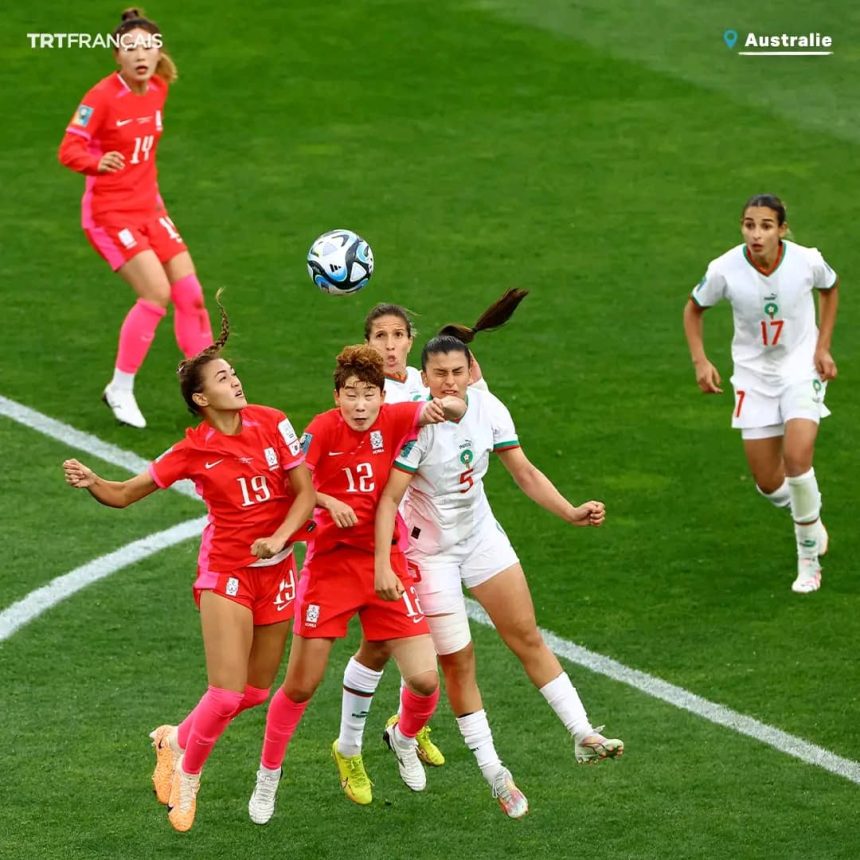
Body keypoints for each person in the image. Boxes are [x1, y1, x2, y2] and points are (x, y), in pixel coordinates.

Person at [62, 292, 315, 832]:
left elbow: (305, 493)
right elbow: (126, 494)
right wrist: (93, 484)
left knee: (253, 692)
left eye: (233, 372)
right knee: (224, 692)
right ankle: (187, 777)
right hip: (227, 575)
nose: (235, 381)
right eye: (222, 378)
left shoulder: (274, 422)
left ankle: (173, 737)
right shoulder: (191, 450)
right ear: (201, 399)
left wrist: (280, 540)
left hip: (278, 573)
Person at [374, 335, 624, 818]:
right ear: (424, 379)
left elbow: (524, 472)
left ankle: (582, 733)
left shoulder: (489, 408)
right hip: (431, 556)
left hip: (482, 537)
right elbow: (388, 499)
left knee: (526, 635)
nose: (449, 382)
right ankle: (496, 774)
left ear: (472, 372)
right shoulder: (417, 427)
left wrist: (570, 512)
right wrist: (386, 561)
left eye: (457, 372)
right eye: (439, 374)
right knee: (459, 663)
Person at [246, 345, 466, 825]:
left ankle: (402, 739)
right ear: (337, 396)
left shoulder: (396, 419)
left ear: (382, 397)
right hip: (330, 567)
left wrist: (438, 406)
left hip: (385, 562)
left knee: (427, 679)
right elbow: (289, 481)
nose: (361, 405)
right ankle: (267, 777)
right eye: (351, 395)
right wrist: (325, 500)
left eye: (369, 395)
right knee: (301, 685)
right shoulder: (322, 429)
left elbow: (457, 406)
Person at [330, 290, 529, 798]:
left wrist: (459, 349)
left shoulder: (428, 379)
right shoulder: (367, 396)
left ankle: (408, 731)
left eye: (399, 335)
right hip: (380, 533)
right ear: (367, 344)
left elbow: (471, 390)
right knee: (381, 644)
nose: (391, 346)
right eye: (380, 337)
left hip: (417, 540)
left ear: (412, 341)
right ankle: (351, 747)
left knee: (413, 652)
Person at [58, 8, 214, 429]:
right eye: (130, 48)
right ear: (117, 56)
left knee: (191, 295)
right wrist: (96, 160)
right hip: (109, 213)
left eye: (148, 46)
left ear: (158, 50)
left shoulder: (159, 88)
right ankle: (120, 388)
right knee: (155, 294)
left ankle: (205, 393)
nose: (140, 54)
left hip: (150, 209)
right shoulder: (101, 97)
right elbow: (68, 149)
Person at [683, 194, 839, 594]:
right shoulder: (724, 269)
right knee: (769, 482)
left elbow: (830, 287)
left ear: (782, 230)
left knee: (798, 459)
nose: (756, 233)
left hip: (799, 370)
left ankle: (807, 561)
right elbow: (694, 308)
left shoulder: (806, 260)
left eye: (766, 225)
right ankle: (809, 513)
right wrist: (701, 361)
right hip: (753, 378)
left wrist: (822, 347)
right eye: (749, 224)